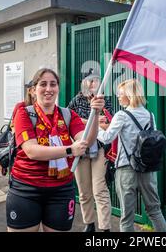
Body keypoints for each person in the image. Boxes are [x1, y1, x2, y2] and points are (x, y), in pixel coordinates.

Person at [6, 68, 105, 232]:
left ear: (58, 88)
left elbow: (86, 141)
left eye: (53, 84)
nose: (48, 89)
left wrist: (95, 114)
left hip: (61, 191)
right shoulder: (23, 113)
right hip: (25, 189)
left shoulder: (68, 115)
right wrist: (69, 150)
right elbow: (31, 150)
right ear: (33, 90)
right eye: (43, 84)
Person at [97, 79, 166, 232]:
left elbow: (107, 138)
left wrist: (95, 127)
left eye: (121, 94)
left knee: (127, 218)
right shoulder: (150, 115)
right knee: (155, 210)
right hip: (148, 169)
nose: (118, 97)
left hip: (126, 169)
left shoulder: (122, 115)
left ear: (129, 96)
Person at [67, 69, 113, 232]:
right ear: (84, 83)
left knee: (99, 189)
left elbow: (109, 124)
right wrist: (92, 120)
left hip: (99, 150)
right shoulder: (77, 101)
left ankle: (105, 227)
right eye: (90, 80)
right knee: (84, 190)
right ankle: (89, 223)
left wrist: (86, 122)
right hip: (80, 150)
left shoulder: (104, 101)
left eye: (96, 80)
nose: (93, 83)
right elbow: (69, 121)